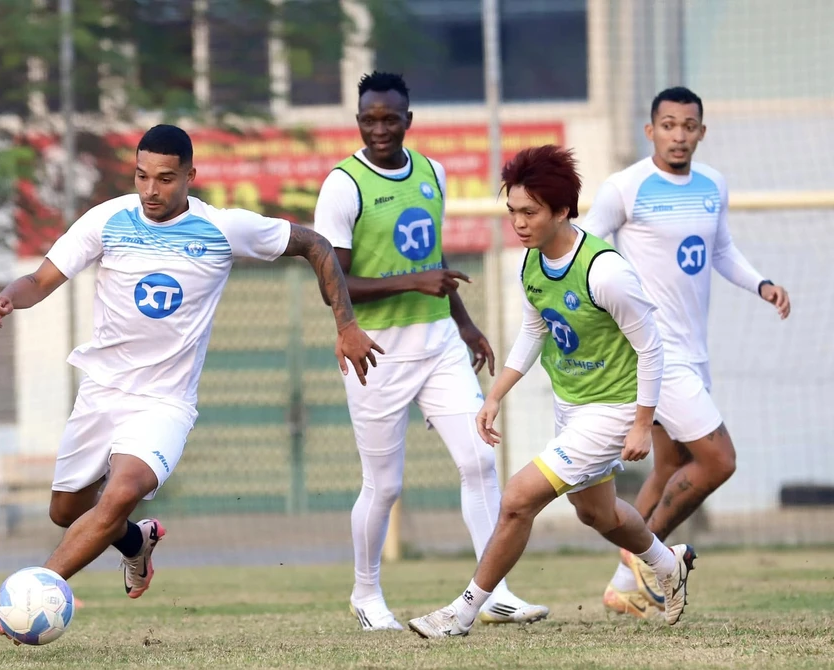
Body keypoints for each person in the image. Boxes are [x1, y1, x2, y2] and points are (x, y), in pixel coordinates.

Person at [0, 124, 382, 643]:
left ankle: (36, 591)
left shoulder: (223, 229)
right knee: (66, 511)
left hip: (166, 402)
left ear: (191, 176)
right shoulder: (107, 220)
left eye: (166, 179)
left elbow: (315, 244)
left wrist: (346, 323)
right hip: (103, 391)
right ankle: (135, 543)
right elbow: (38, 280)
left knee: (121, 492)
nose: (151, 190)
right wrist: (8, 297)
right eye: (142, 176)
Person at [408, 144, 697, 639]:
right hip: (573, 405)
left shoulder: (605, 271)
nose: (518, 223)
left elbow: (652, 348)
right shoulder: (531, 264)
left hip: (613, 407)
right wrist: (496, 394)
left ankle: (462, 612)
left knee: (517, 499)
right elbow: (534, 330)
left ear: (562, 210)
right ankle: (666, 562)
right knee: (596, 513)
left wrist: (642, 422)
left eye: (530, 212)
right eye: (512, 211)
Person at [312, 71, 549, 632]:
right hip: (376, 353)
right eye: (369, 119)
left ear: (408, 120)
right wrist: (412, 282)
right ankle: (366, 594)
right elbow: (333, 283)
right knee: (385, 484)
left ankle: (494, 592)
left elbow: (435, 263)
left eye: (390, 119)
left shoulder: (433, 174)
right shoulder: (343, 185)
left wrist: (464, 323)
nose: (380, 129)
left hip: (439, 344)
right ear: (358, 121)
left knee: (480, 460)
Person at [581, 87, 791, 620]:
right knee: (719, 460)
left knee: (671, 463)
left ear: (701, 131)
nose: (678, 135)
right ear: (650, 131)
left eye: (688, 126)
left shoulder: (712, 185)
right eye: (668, 125)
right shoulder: (624, 188)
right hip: (657, 354)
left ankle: (621, 584)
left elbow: (720, 249)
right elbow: (584, 247)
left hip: (693, 353)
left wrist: (760, 283)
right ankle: (651, 564)